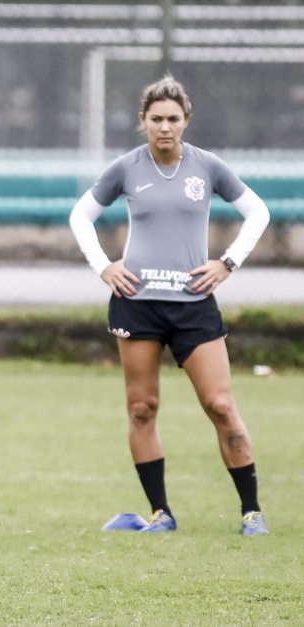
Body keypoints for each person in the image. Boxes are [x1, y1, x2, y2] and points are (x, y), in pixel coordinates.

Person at [69, 75, 271, 535]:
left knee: (220, 405)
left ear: (186, 121)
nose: (165, 127)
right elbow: (80, 215)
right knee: (142, 408)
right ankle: (162, 514)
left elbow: (257, 211)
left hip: (193, 305)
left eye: (173, 119)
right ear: (143, 121)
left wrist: (228, 263)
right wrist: (103, 267)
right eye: (156, 119)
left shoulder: (208, 167)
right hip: (136, 304)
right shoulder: (125, 168)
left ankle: (251, 512)